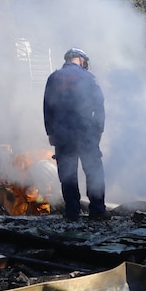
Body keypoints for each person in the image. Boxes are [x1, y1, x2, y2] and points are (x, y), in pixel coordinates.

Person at [43, 47, 109, 220]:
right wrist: (99, 129)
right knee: (93, 171)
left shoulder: (54, 77)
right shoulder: (89, 77)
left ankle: (72, 211)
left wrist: (50, 132)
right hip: (86, 132)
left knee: (67, 173)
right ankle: (97, 210)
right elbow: (99, 105)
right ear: (81, 59)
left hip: (62, 133)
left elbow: (47, 107)